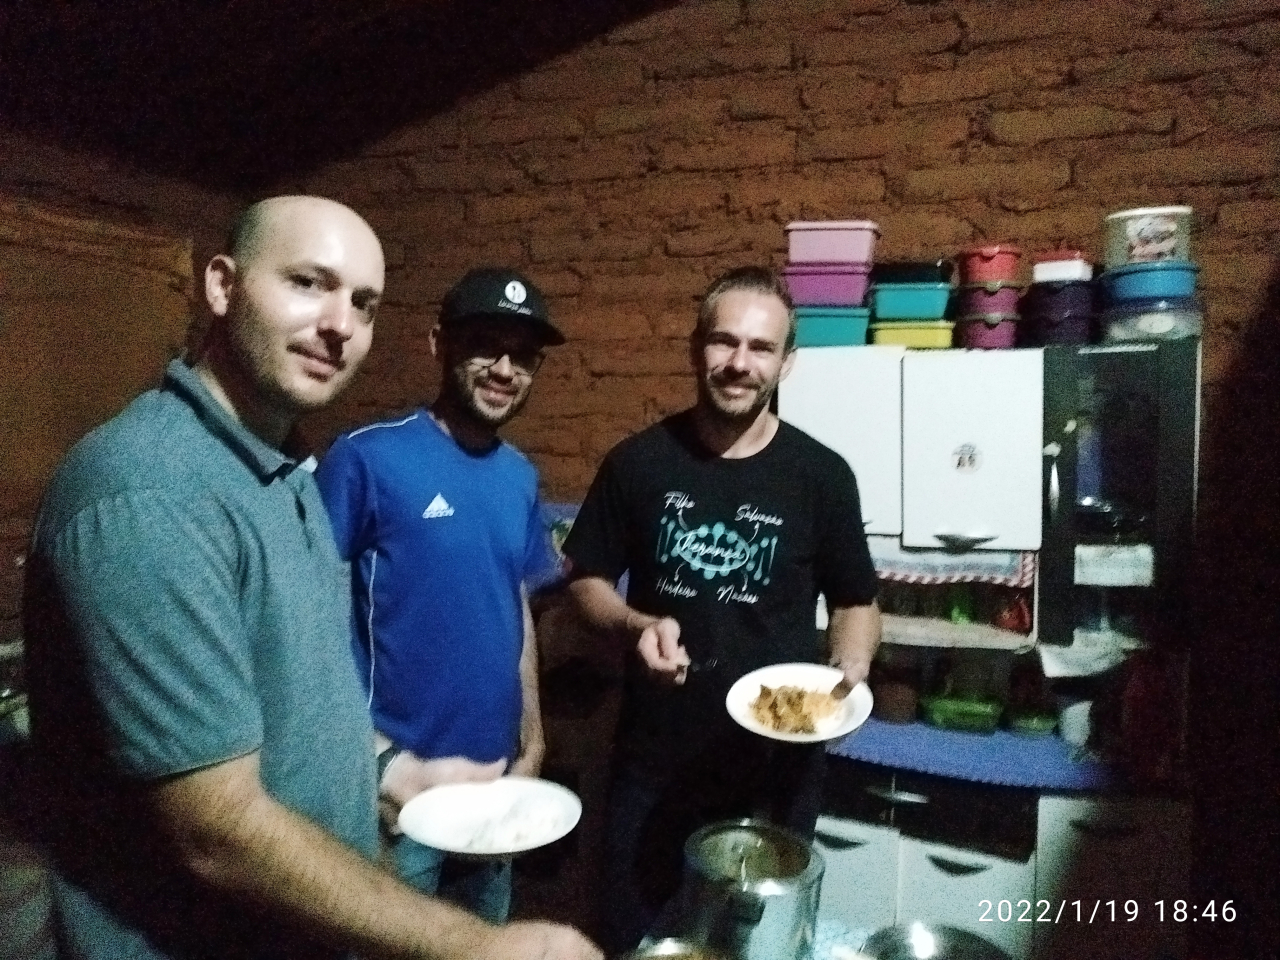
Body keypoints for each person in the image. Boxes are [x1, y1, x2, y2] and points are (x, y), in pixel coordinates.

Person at [20, 196, 601, 960]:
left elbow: (298, 684)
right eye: (307, 283)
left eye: (363, 304)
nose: (339, 325)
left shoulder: (283, 471)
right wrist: (473, 946)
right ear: (222, 286)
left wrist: (389, 768)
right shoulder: (151, 493)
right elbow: (217, 830)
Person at [561, 266, 882, 952]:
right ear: (695, 347)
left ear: (786, 362)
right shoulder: (638, 464)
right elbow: (586, 581)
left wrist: (849, 666)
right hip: (653, 770)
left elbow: (856, 600)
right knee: (638, 942)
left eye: (761, 347)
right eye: (724, 341)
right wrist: (634, 624)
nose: (740, 363)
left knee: (757, 948)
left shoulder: (822, 476)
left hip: (776, 777)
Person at [314, 267, 565, 922]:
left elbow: (514, 605)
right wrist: (375, 764)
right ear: (439, 345)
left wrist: (534, 740)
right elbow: (303, 621)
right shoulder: (366, 459)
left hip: (495, 786)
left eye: (523, 356)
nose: (505, 369)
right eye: (485, 346)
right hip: (400, 796)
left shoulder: (519, 476)